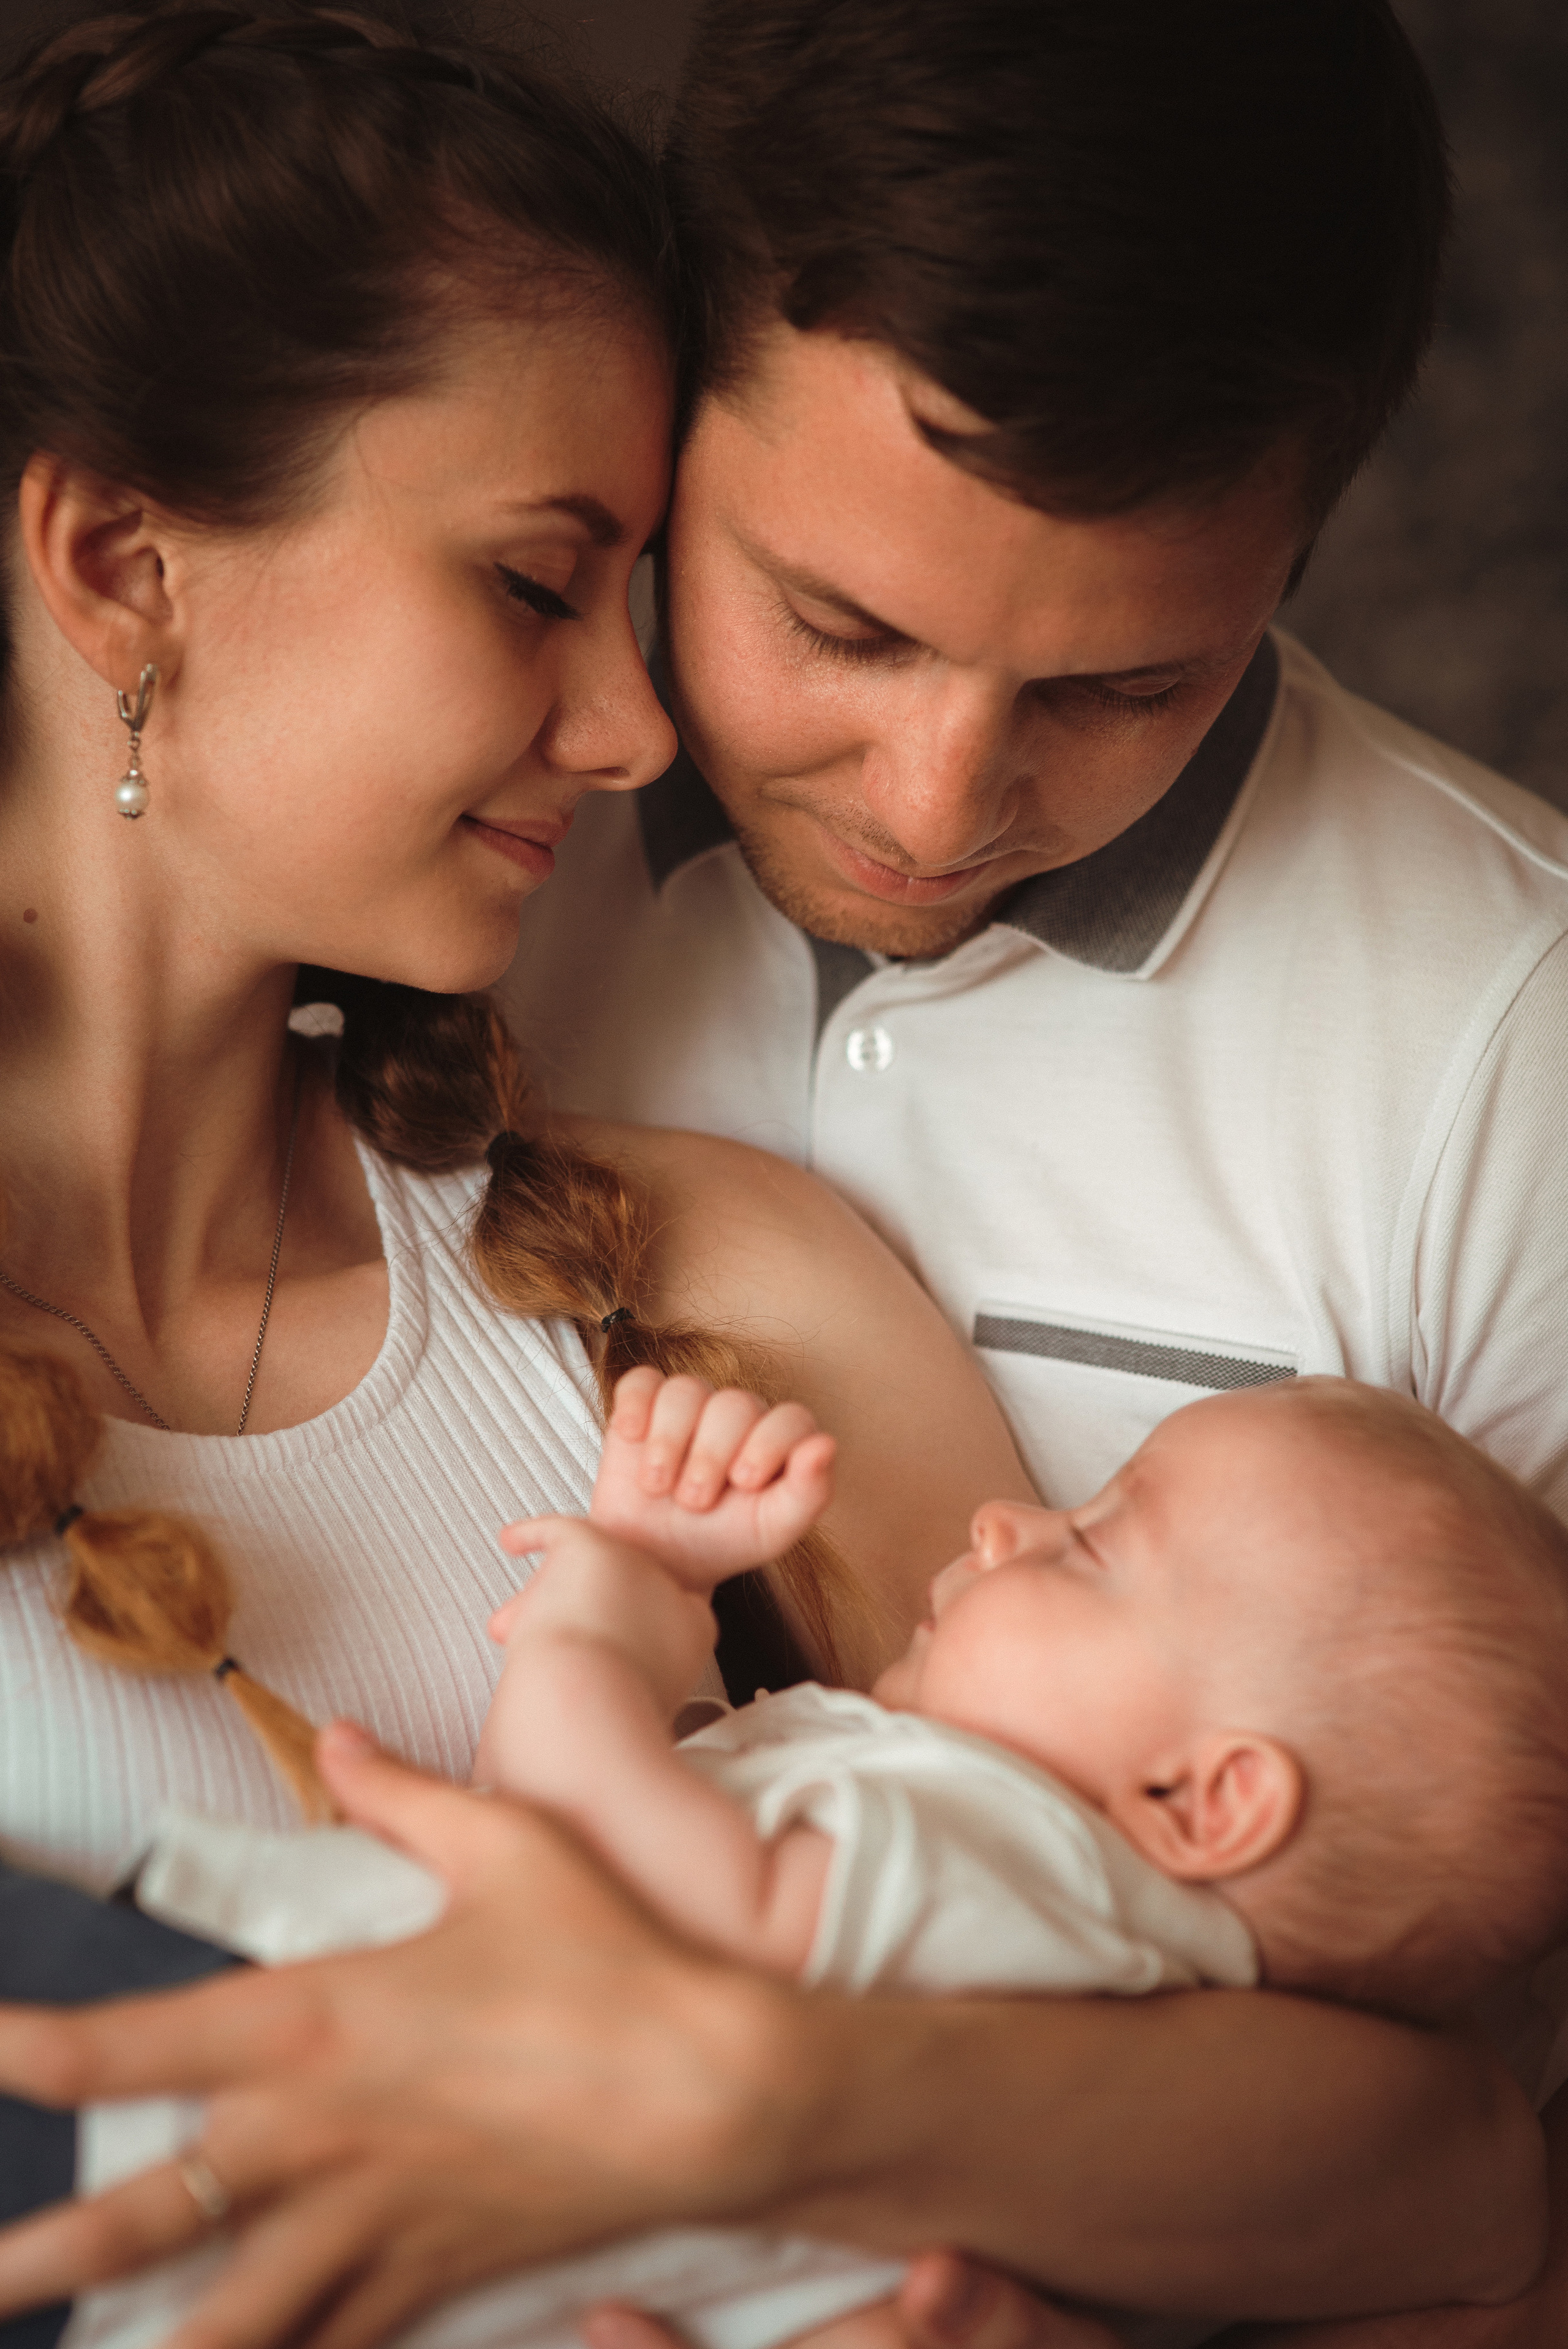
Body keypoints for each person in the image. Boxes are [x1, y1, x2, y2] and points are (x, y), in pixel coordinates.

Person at [0, 1, 1556, 2345]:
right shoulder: (611, 929)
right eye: (552, 581)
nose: (642, 737)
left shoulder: (694, 1259)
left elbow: (1439, 2170)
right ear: (119, 561)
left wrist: (774, 2110)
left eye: (1124, 682)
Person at [47, 1369, 1568, 2349]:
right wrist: (618, 1657)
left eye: (1092, 1545)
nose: (1006, 1519)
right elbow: (564, 1882)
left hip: (219, 2120)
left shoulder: (1014, 1863)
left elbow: (637, 1889)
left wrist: (609, 1621)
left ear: (1200, 1799)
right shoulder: (1022, 1896)